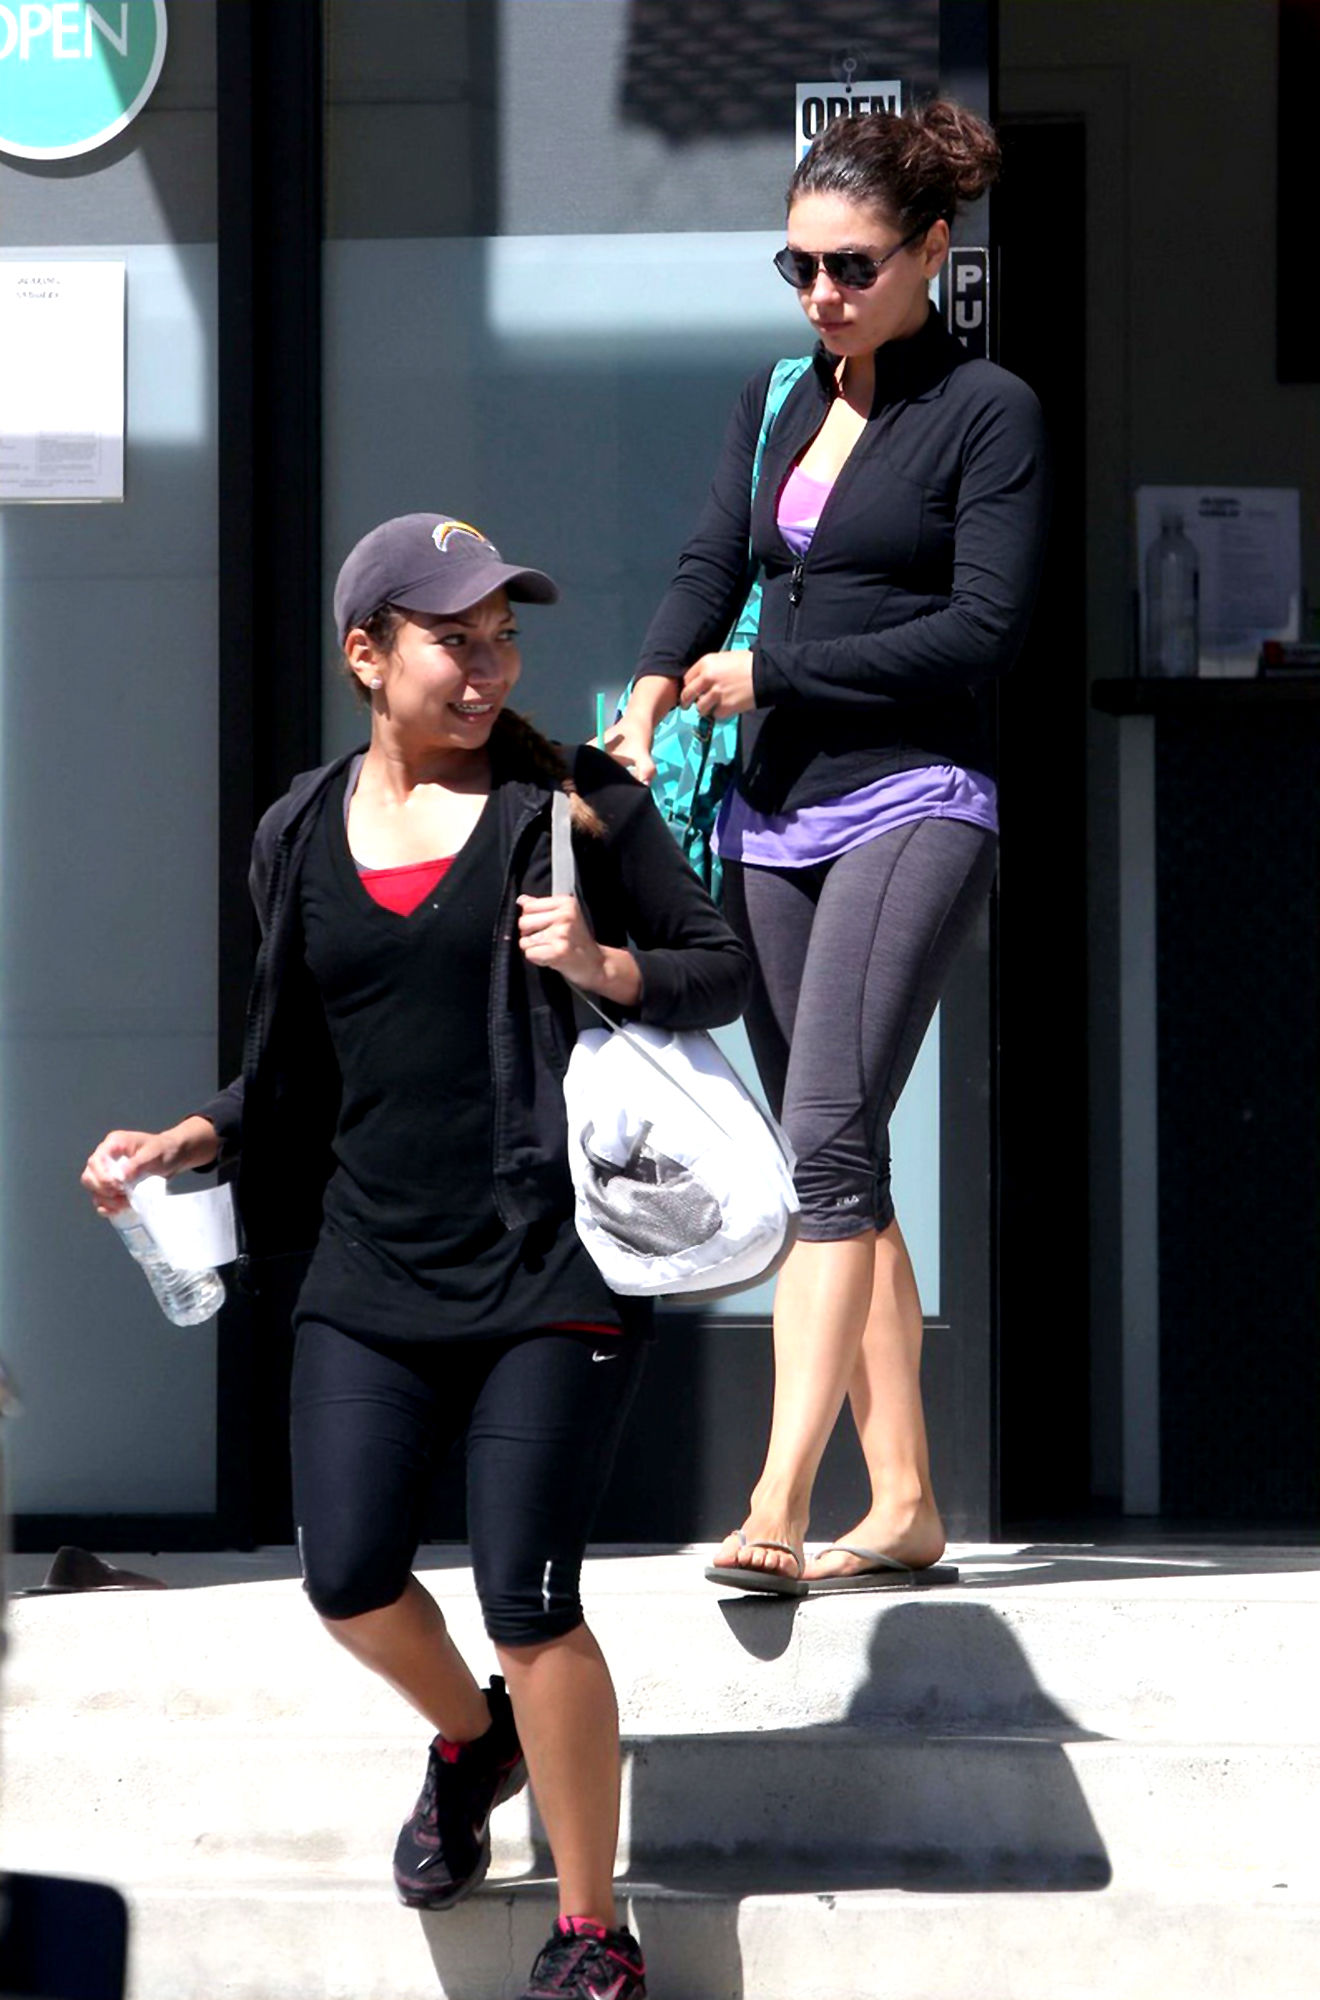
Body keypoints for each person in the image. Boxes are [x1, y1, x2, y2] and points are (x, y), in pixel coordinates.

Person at [82, 513, 749, 1999]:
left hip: (550, 1266)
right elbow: (297, 1076)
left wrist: (605, 966)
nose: (491, 663)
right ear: (366, 654)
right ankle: (473, 1741)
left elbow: (722, 964)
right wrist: (180, 1143)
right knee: (352, 1578)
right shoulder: (296, 834)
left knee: (529, 1596)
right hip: (373, 1270)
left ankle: (591, 1927)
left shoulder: (575, 807)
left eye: (506, 635)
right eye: (459, 637)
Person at [607, 103, 1049, 1596]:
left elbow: (984, 631)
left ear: (932, 250)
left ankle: (780, 1498)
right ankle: (909, 1500)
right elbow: (708, 562)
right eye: (794, 264)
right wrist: (657, 694)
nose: (821, 295)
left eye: (850, 265)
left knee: (831, 1146)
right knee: (831, 1153)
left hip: (916, 797)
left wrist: (780, 676)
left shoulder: (989, 413)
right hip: (773, 813)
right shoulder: (781, 394)